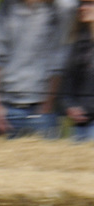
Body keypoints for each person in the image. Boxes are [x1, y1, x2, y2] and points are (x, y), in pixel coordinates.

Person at [0, 0, 67, 138]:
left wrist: (48, 104)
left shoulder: (57, 9)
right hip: (9, 108)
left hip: (43, 108)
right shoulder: (4, 8)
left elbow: (57, 62)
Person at [64, 0, 94, 139]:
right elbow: (68, 78)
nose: (83, 8)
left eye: (89, 3)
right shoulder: (77, 40)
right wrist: (70, 105)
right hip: (79, 124)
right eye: (81, 4)